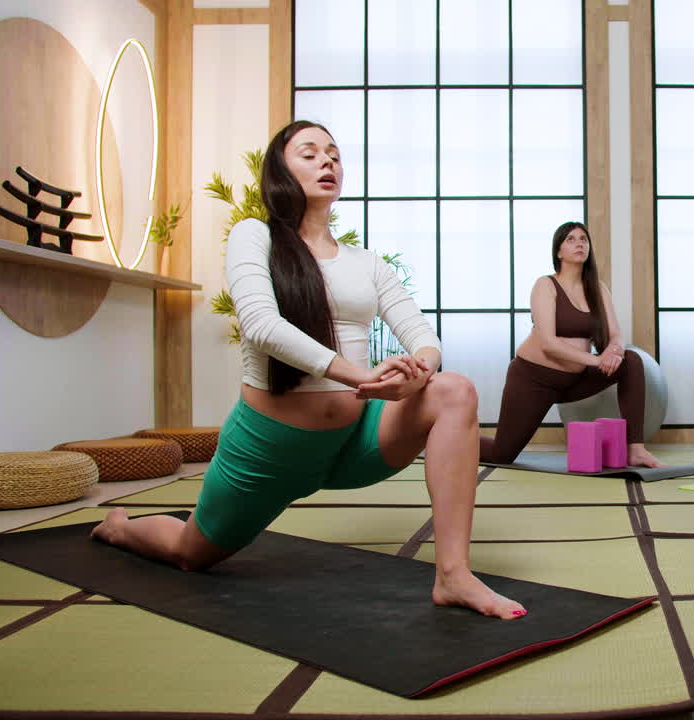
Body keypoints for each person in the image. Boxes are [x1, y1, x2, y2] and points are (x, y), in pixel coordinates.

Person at [91, 120, 527, 619]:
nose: (327, 162)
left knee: (454, 390)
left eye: (334, 155)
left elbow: (424, 337)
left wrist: (418, 371)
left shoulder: (367, 264)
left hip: (355, 443)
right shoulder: (254, 236)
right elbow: (259, 324)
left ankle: (454, 575)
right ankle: (121, 527)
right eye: (310, 153)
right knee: (191, 552)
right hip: (269, 450)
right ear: (280, 170)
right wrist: (360, 376)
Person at [480, 221, 663, 468]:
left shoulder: (598, 289)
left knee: (631, 361)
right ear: (558, 251)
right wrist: (599, 360)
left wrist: (615, 352)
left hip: (574, 381)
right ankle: (453, 436)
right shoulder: (545, 285)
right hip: (534, 379)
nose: (579, 243)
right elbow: (549, 344)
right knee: (502, 455)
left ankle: (636, 449)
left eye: (583, 239)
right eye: (571, 239)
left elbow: (615, 334)